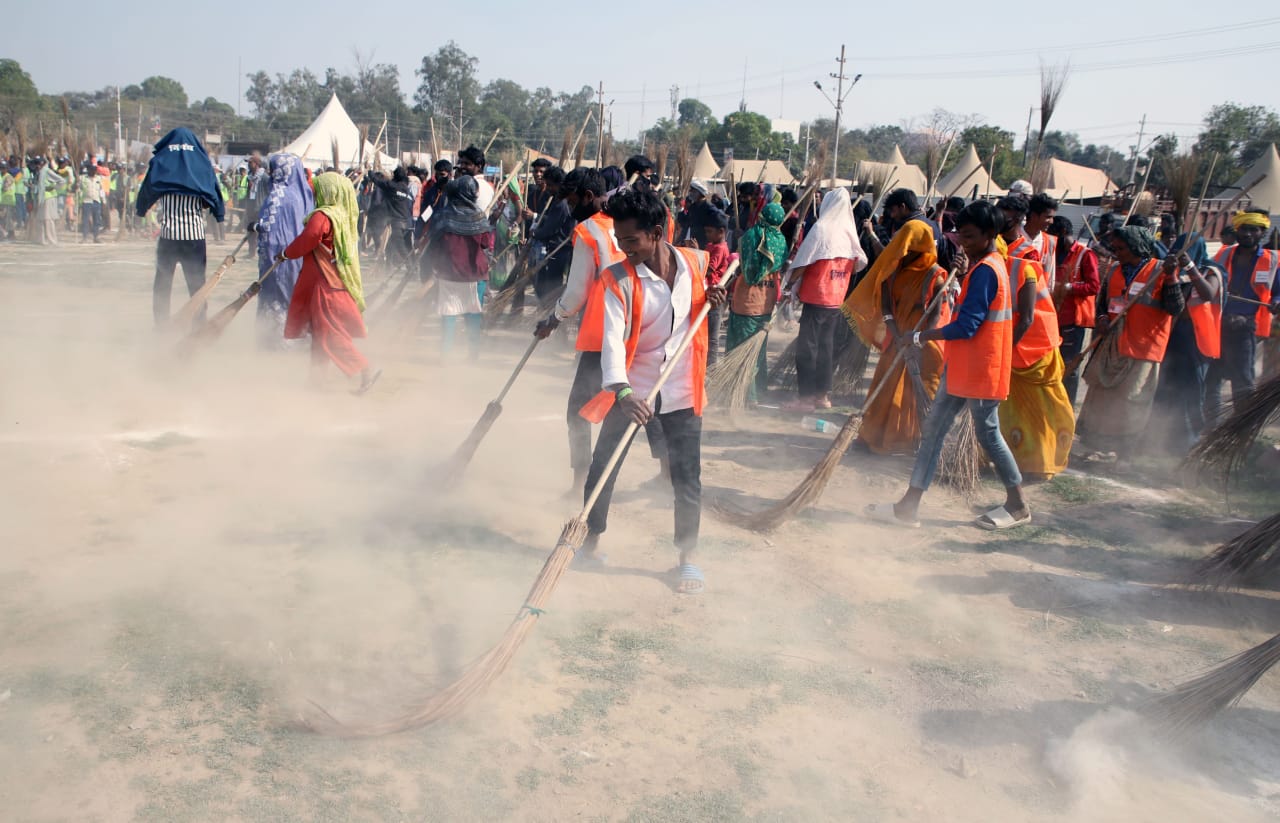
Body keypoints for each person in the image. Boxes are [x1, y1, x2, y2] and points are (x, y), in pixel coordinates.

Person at [575, 187, 727, 595]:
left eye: (631, 241)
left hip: (680, 390)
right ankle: (587, 544)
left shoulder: (694, 262)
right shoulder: (616, 279)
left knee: (686, 478)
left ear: (656, 232)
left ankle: (687, 558)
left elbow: (697, 311)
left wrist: (713, 300)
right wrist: (622, 392)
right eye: (619, 241)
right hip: (630, 391)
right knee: (602, 469)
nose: (624, 249)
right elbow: (610, 341)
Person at [866, 201, 1029, 530]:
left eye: (969, 237)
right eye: (960, 236)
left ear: (988, 235)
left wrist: (921, 336)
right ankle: (908, 507)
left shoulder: (987, 271)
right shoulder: (984, 265)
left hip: (981, 370)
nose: (962, 242)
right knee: (934, 432)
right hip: (964, 368)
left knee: (989, 435)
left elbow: (967, 326)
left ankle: (1018, 505)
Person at [537, 169, 669, 493]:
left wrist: (554, 319)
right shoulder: (626, 223)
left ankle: (580, 481)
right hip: (643, 330)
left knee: (578, 410)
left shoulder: (587, 230)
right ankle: (669, 473)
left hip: (604, 335)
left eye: (570, 200)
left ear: (585, 196)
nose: (569, 208)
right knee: (651, 401)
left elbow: (577, 291)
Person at [843, 188, 948, 454]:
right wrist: (893, 328)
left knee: (915, 393)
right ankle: (873, 437)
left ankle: (907, 442)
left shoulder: (936, 274)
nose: (901, 250)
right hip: (898, 336)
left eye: (907, 246)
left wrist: (917, 339)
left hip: (923, 342)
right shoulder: (895, 271)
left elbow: (935, 312)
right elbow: (888, 304)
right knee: (884, 385)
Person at [1077, 226, 1184, 460]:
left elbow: (1176, 307)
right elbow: (1103, 302)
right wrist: (1103, 318)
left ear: (1137, 247)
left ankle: (1125, 453)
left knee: (1132, 400)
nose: (1116, 253)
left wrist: (1172, 276)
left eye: (1121, 248)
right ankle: (1095, 444)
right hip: (1113, 342)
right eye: (1114, 248)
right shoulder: (1115, 269)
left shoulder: (1160, 270)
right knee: (1101, 396)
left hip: (1144, 346)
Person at [280, 172, 379, 393]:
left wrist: (286, 253)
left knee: (329, 333)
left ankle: (364, 369)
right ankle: (316, 381)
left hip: (324, 285)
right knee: (319, 333)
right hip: (333, 282)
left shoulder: (323, 216)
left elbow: (310, 237)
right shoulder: (343, 216)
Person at [999, 209, 1073, 479]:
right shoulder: (1001, 254)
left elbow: (1028, 316)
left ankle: (1040, 464)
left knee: (1041, 409)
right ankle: (1014, 457)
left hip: (1036, 346)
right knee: (1014, 406)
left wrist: (1006, 349)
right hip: (1018, 345)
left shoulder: (1026, 259)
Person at [784, 189, 868, 411]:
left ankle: (805, 399)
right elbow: (860, 261)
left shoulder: (822, 229)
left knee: (807, 348)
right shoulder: (849, 231)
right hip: (836, 298)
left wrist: (790, 282)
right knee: (825, 349)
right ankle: (822, 396)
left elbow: (803, 261)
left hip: (817, 296)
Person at [135, 128, 226, 327]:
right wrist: (218, 213)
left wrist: (141, 210)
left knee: (162, 284)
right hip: (194, 237)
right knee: (196, 285)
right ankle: (199, 325)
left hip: (169, 235)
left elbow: (146, 191)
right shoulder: (202, 165)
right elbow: (215, 193)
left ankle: (161, 325)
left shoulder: (161, 163)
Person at [1205, 210, 1279, 425]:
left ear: (1262, 233)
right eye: (1243, 229)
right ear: (1237, 230)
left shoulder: (1272, 259)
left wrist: (1278, 301)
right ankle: (1211, 424)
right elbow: (1209, 275)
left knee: (1243, 380)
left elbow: (1278, 291)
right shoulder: (1224, 254)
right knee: (1212, 377)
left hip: (1247, 328)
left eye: (1252, 230)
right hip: (1218, 325)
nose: (1247, 234)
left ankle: (1242, 425)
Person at [1151, 237, 1222, 452]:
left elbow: (1208, 293)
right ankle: (1162, 440)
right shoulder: (1175, 272)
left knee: (1191, 390)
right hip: (1173, 336)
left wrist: (1189, 266)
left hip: (1197, 339)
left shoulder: (1212, 271)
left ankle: (1190, 441)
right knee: (1167, 387)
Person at [726, 202, 788, 404]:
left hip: (746, 303)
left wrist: (740, 238)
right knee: (758, 350)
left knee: (743, 352)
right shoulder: (780, 240)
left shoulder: (751, 236)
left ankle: (746, 395)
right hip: (766, 303)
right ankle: (759, 390)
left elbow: (745, 263)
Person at [429, 171, 493, 358]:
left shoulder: (442, 216)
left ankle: (445, 356)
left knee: (448, 316)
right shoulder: (479, 217)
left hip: (449, 275)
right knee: (473, 317)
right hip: (475, 276)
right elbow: (485, 244)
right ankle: (473, 356)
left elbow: (434, 244)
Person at [253, 153, 314, 347]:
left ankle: (276, 341)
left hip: (277, 255)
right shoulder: (304, 194)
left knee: (275, 296)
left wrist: (255, 227)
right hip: (297, 254)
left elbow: (269, 228)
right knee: (293, 292)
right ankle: (299, 337)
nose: (271, 174)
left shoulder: (278, 194)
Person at [1047, 216, 1099, 405]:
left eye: (1051, 234)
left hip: (1072, 321)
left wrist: (1068, 287)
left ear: (1061, 233)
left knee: (1070, 366)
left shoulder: (1085, 255)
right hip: (1053, 318)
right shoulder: (1054, 252)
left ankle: (1066, 406)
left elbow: (1094, 286)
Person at [702, 210, 731, 367]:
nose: (707, 235)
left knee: (712, 337)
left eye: (709, 232)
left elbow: (708, 269)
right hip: (708, 293)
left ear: (721, 232)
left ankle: (711, 367)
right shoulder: (711, 245)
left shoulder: (720, 248)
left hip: (716, 296)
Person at [1025, 193, 1059, 291]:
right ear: (1034, 216)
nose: (1051, 221)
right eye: (1048, 217)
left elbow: (1050, 277)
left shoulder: (1050, 242)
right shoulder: (1014, 238)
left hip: (1037, 300)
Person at [677, 179, 721, 248]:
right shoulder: (693, 207)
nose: (690, 193)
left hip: (705, 245)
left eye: (692, 191)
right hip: (693, 243)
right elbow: (686, 224)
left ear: (699, 193)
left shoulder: (709, 208)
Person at [76, 165, 103, 243]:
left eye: (94, 170)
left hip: (96, 201)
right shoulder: (83, 178)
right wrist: (77, 187)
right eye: (91, 170)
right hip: (86, 201)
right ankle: (84, 237)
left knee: (97, 220)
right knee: (85, 220)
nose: (93, 171)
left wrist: (103, 200)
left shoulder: (99, 178)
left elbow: (101, 190)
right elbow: (79, 188)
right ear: (88, 170)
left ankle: (96, 237)